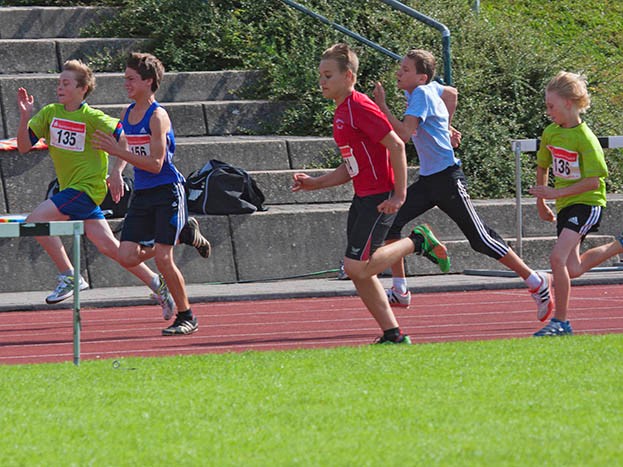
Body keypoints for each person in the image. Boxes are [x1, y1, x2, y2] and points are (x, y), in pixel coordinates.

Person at [373, 49, 553, 318]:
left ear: (421, 77)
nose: (399, 72)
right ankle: (400, 290)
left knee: (480, 239)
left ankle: (536, 281)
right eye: (400, 67)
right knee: (391, 221)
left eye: (406, 70)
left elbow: (404, 136)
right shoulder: (428, 88)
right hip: (428, 180)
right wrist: (446, 125)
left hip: (447, 178)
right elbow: (452, 93)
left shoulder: (421, 93)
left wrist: (382, 106)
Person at [292, 43, 449, 344]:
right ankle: (393, 333)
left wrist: (400, 196)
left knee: (357, 266)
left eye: (328, 75)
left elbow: (398, 145)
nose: (322, 82)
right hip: (362, 196)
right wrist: (315, 182)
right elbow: (350, 166)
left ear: (348, 76)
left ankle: (417, 240)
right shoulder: (342, 111)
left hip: (380, 196)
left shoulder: (360, 106)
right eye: (320, 76)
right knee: (359, 272)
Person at [16, 59, 175, 319]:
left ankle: (69, 276)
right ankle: (159, 284)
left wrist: (117, 172)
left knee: (35, 222)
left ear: (82, 89)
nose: (60, 87)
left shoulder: (93, 117)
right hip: (71, 189)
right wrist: (24, 117)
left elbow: (125, 137)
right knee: (110, 247)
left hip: (87, 188)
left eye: (66, 83)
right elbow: (23, 146)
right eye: (59, 83)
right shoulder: (49, 113)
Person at [92, 52, 200, 336]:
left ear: (148, 81)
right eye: (125, 78)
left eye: (131, 79)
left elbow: (156, 163)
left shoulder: (158, 116)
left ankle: (186, 316)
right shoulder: (128, 113)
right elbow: (129, 146)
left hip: (167, 191)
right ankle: (183, 234)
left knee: (164, 258)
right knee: (126, 256)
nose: (125, 83)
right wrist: (116, 170)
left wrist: (118, 151)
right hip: (142, 193)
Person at [529, 71, 608, 337]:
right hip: (564, 205)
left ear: (568, 103)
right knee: (572, 269)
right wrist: (542, 201)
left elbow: (593, 183)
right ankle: (620, 244)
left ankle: (561, 323)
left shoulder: (586, 139)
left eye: (551, 106)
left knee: (556, 259)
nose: (548, 112)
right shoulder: (551, 133)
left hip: (586, 203)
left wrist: (555, 194)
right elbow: (542, 166)